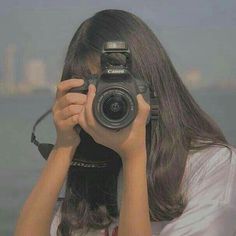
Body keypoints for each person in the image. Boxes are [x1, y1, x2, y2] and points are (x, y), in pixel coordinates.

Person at [14, 9, 236, 236]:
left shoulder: (213, 165)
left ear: (153, 88)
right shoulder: (90, 171)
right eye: (98, 86)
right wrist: (63, 146)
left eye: (123, 84)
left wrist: (133, 157)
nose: (112, 99)